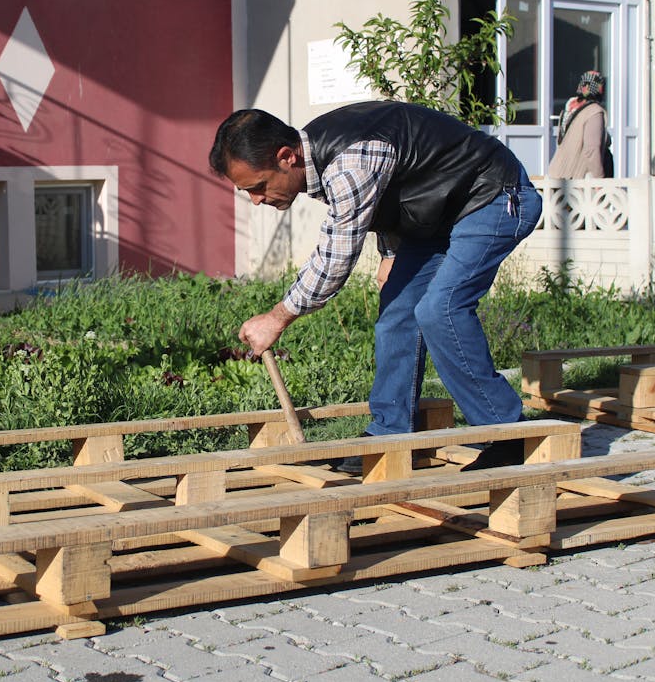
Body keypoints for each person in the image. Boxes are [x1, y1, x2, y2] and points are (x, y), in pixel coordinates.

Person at [209, 101, 542, 471]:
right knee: (397, 314)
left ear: (286, 157)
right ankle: (391, 433)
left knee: (440, 309)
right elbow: (400, 179)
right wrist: (390, 250)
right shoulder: (324, 151)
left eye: (258, 187)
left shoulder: (348, 159)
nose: (256, 200)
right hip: (438, 217)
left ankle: (507, 435)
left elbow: (337, 258)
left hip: (492, 196)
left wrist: (277, 317)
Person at [548, 70, 610, 178]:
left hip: (557, 176)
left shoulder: (570, 109)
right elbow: (591, 149)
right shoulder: (594, 112)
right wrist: (599, 179)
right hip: (576, 180)